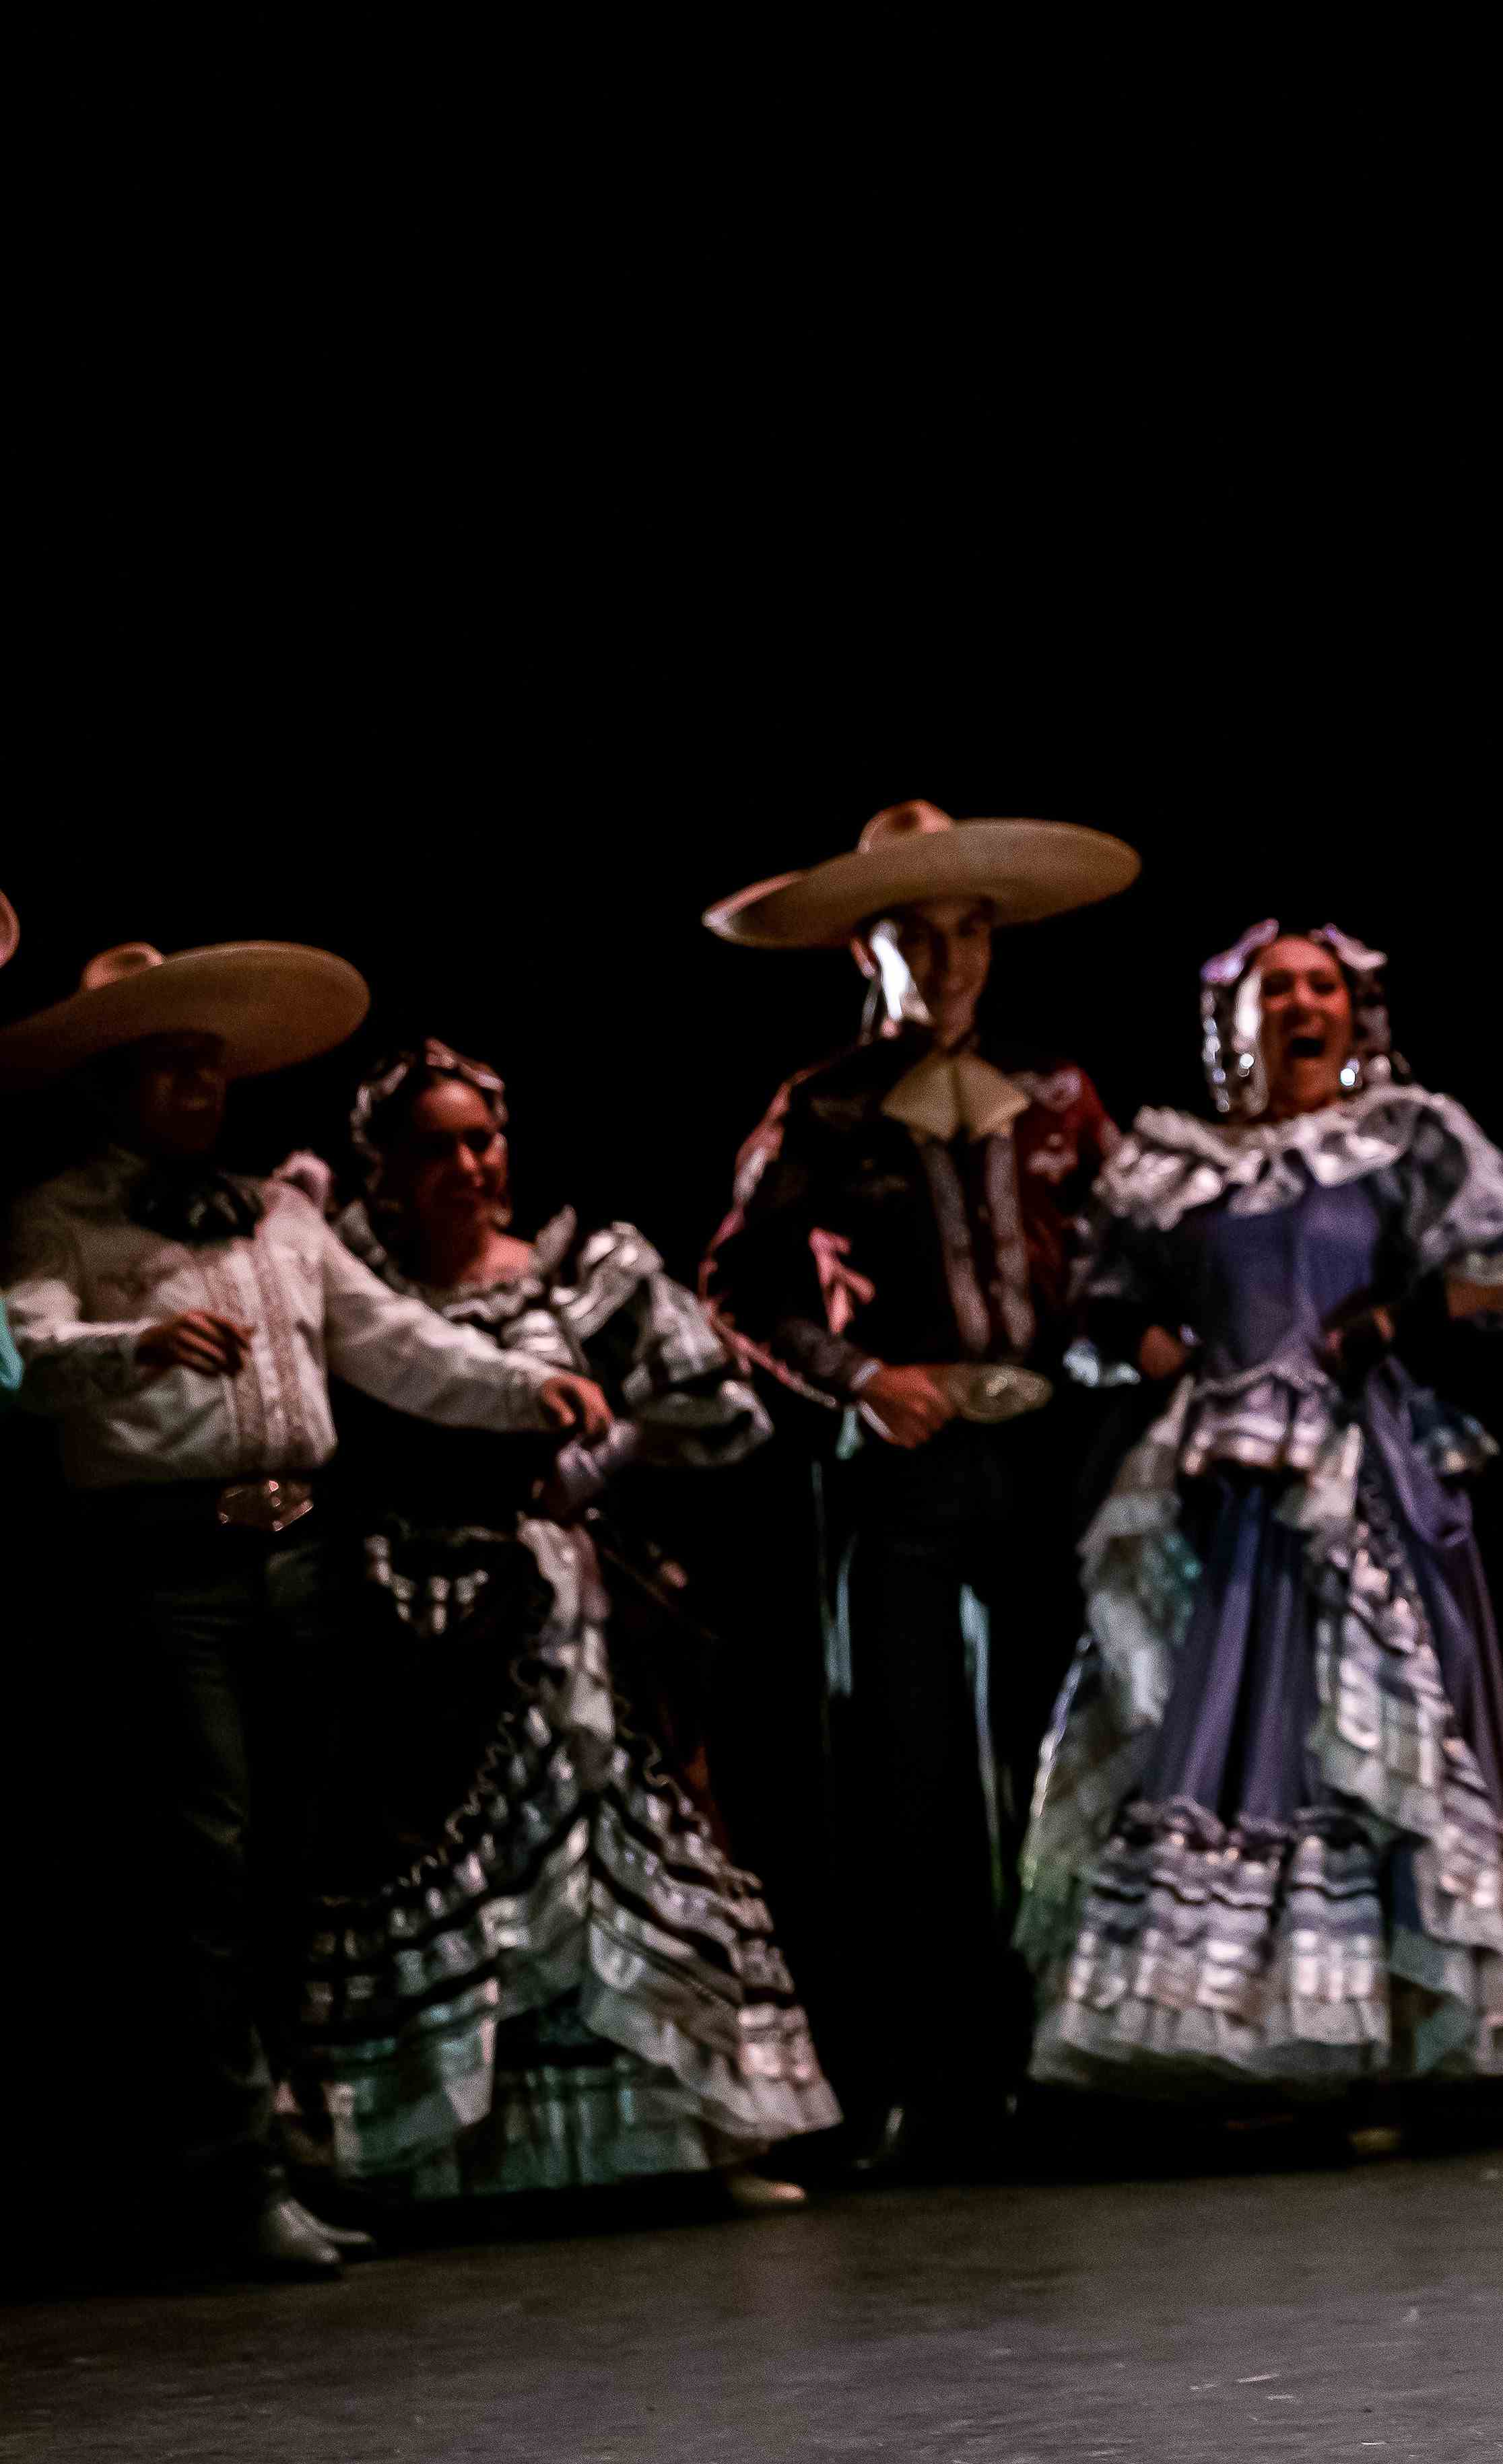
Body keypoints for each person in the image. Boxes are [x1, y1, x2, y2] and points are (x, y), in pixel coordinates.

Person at [3, 943, 611, 2280]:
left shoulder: (278, 1216)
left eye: (210, 1059)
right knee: (203, 1868)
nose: (198, 1082)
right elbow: (21, 1352)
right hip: (170, 1565)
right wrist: (133, 1345)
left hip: (297, 1557)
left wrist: (528, 1388)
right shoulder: (64, 1216)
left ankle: (265, 2145)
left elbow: (396, 1340)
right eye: (167, 1059)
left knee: (285, 1860)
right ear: (110, 1080)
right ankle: (220, 2174)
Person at [1017, 921, 1503, 2097]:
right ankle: (1226, 2048)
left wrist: (1401, 1317)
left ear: (1354, 1012)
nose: (1300, 1005)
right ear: (1235, 1022)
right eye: (1274, 990)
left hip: (1353, 1468)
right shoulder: (1174, 1164)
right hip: (1210, 1479)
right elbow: (1097, 1304)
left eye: (1321, 986)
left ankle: (1382, 2044)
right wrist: (1145, 1339)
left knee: (1358, 1738)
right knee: (1204, 1736)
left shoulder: (1397, 1137)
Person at [288, 1041, 839, 2212]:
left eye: (481, 1139)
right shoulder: (350, 1278)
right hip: (407, 1614)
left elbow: (722, 1411)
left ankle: (696, 2133)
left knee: (618, 1852)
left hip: (565, 1612)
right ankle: (434, 2152)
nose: (467, 1165)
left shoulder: (588, 1271)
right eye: (432, 1146)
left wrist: (602, 1454)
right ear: (380, 1167)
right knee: (444, 1871)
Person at [700, 801, 1135, 2176]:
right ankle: (917, 2080)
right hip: (908, 1467)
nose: (945, 962)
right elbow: (738, 1283)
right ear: (865, 953)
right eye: (913, 936)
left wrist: (1106, 1345)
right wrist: (859, 1376)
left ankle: (1058, 2066)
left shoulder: (1058, 1088)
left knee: (1058, 1757)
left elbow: (1118, 1255)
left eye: (966, 933)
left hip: (1053, 1455)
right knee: (909, 1772)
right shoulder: (824, 1102)